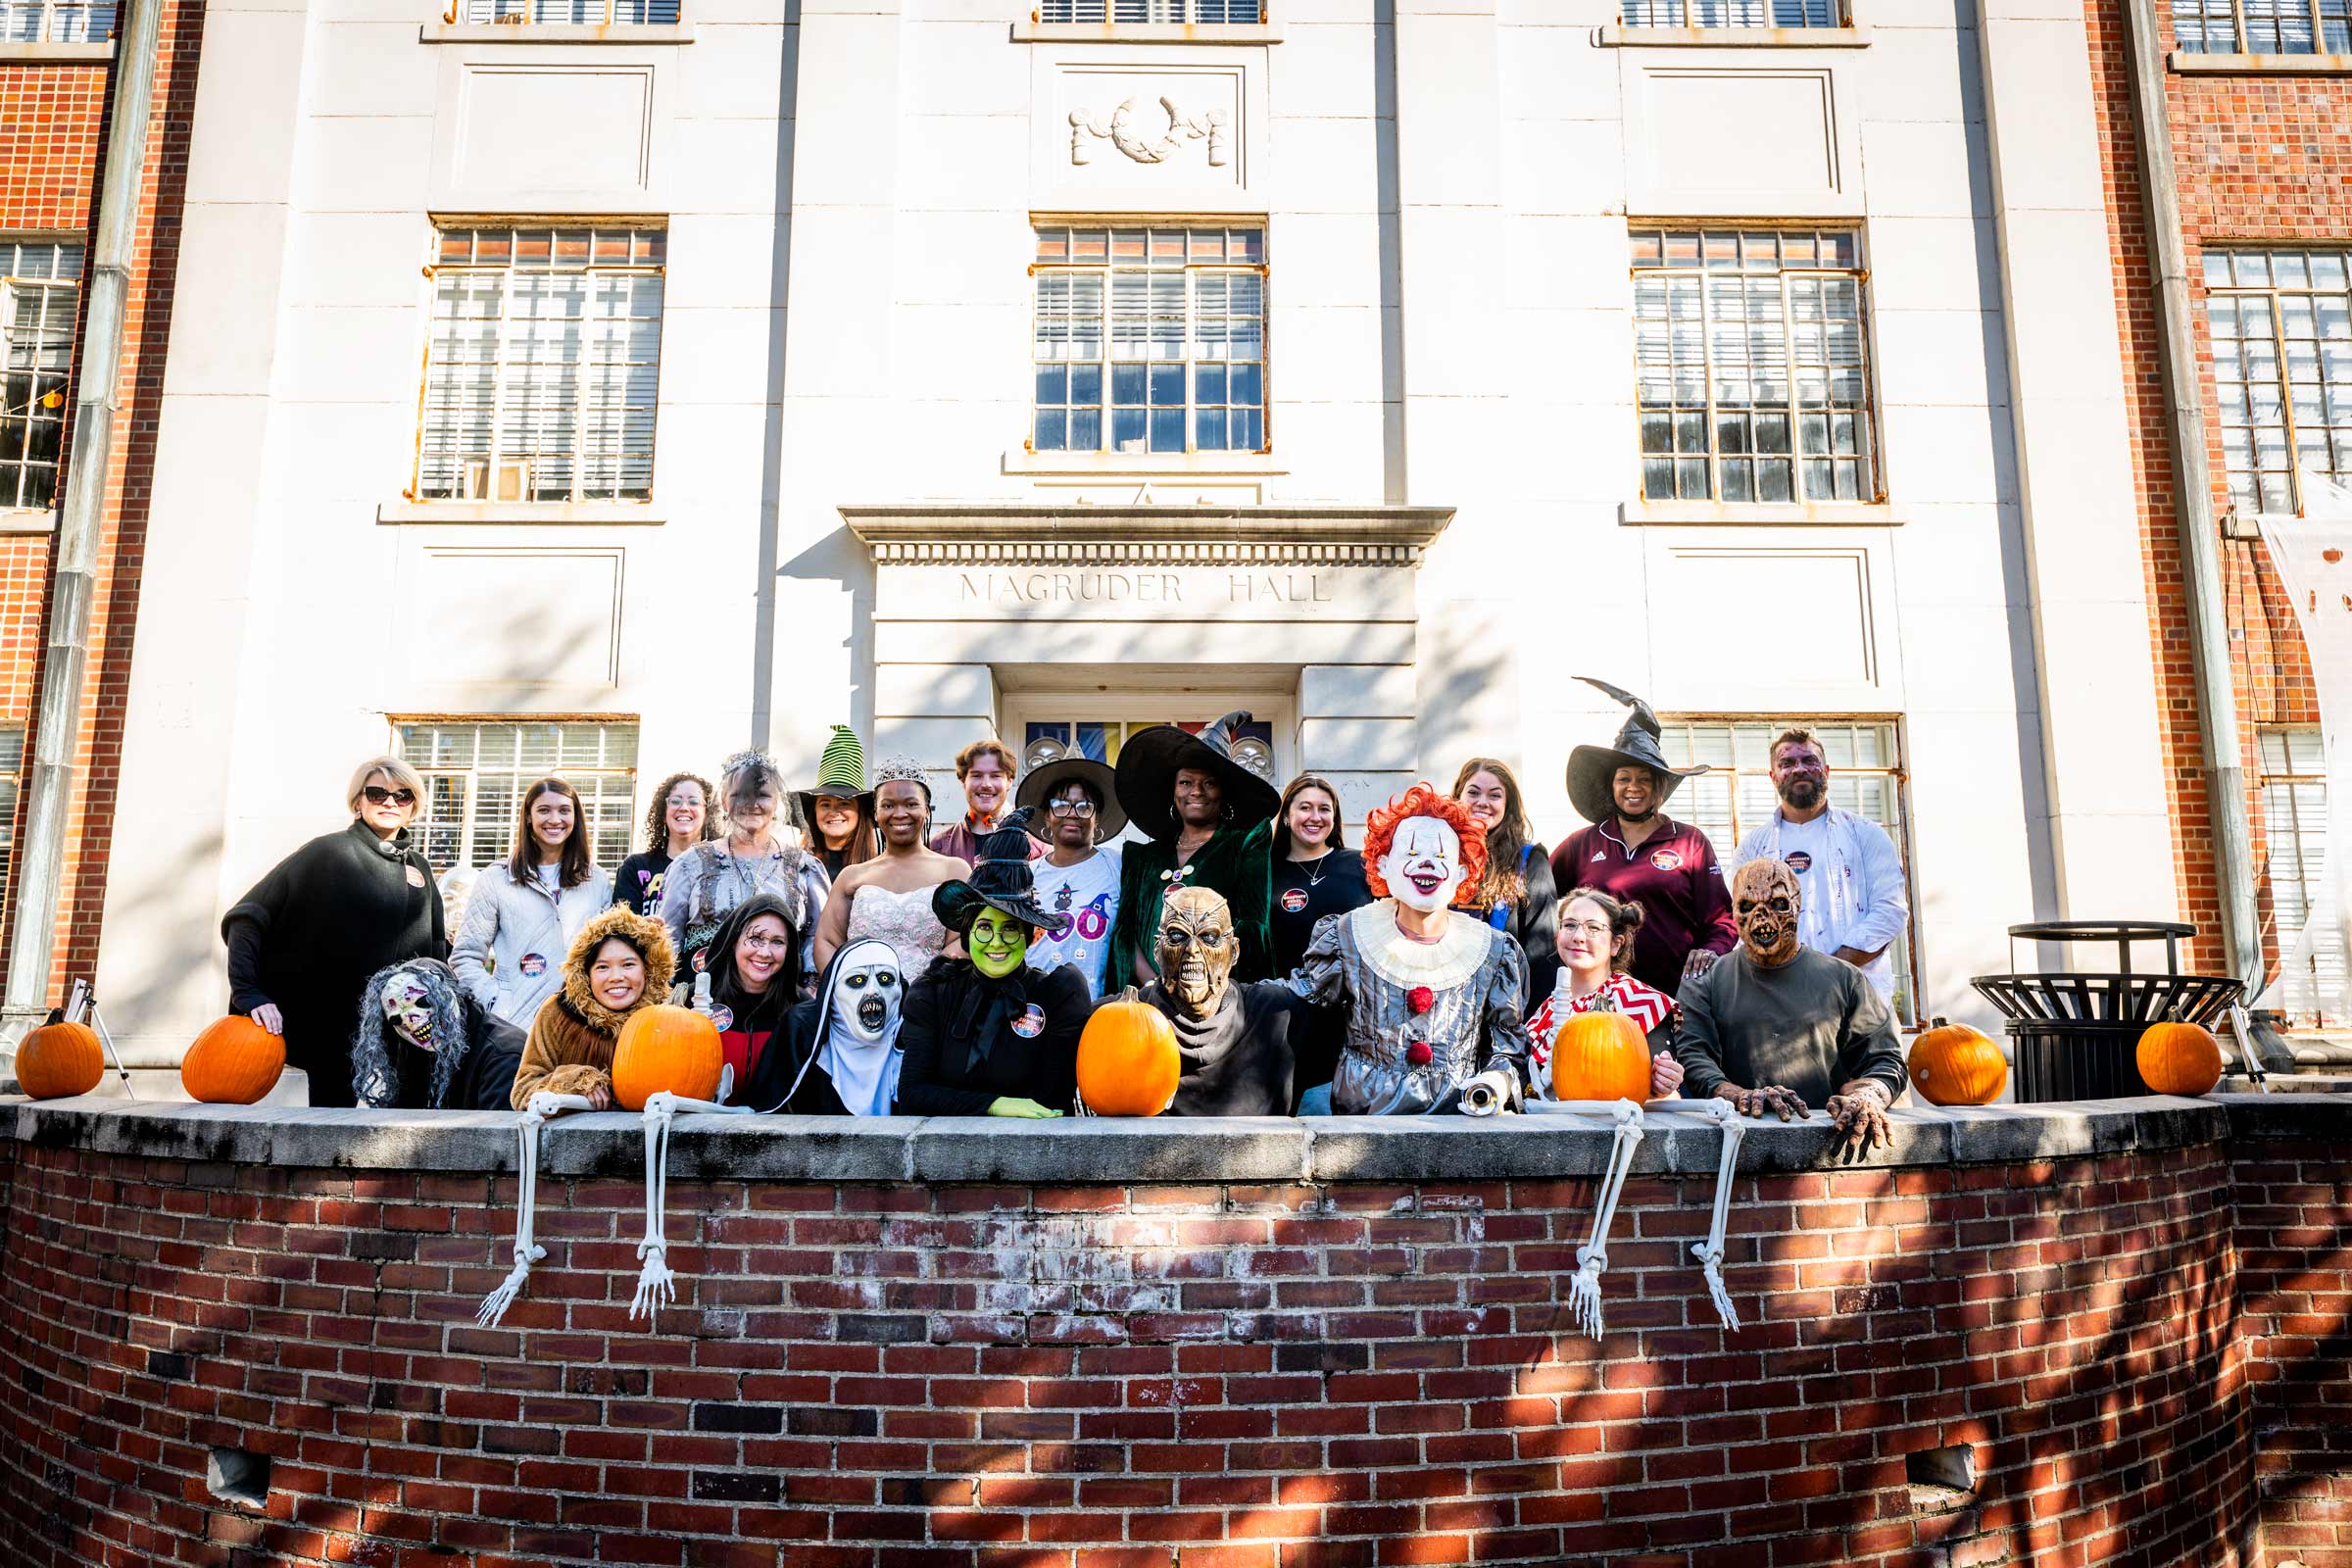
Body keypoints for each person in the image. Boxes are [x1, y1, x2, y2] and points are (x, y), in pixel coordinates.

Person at [1286, 785, 1533, 1116]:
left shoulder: (1493, 951)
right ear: (1383, 865)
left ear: (1461, 872)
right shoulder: (1346, 937)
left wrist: (1496, 1081)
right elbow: (1295, 1005)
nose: (1427, 863)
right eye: (1412, 853)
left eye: (1442, 856)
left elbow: (1507, 1047)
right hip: (1361, 1121)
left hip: (1456, 1122)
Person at [220, 756, 446, 1108]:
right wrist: (250, 994)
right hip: (331, 1028)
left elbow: (435, 948)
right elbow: (247, 917)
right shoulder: (327, 853)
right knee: (330, 1124)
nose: (390, 802)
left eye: (403, 796)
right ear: (358, 802)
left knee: (407, 1127)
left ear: (413, 806)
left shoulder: (419, 867)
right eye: (377, 793)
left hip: (402, 1030)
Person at [1675, 858, 1904, 1157]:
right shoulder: (1704, 982)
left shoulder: (1845, 978)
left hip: (1829, 1145)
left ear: (1798, 905)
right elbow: (1693, 1058)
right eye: (1747, 906)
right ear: (1733, 913)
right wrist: (1739, 1096)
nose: (1761, 917)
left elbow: (1885, 1059)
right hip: (1737, 1148)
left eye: (1778, 904)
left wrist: (1867, 1096)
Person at [1548, 677, 1737, 999]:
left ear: (1660, 787)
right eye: (1624, 778)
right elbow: (1539, 902)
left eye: (1644, 779)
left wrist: (1711, 951)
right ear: (1611, 786)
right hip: (1597, 1001)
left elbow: (1721, 919)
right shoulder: (1583, 844)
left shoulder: (1689, 842)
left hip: (1675, 998)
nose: (1633, 787)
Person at [895, 808, 1090, 1117]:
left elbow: (1052, 1101)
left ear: (1029, 936)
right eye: (984, 928)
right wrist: (995, 1104)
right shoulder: (933, 991)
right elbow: (912, 1094)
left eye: (1010, 929)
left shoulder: (1057, 994)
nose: (996, 942)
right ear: (967, 933)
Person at [1731, 727, 1911, 1004]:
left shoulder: (1866, 835)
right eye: (1787, 763)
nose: (1799, 769)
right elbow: (1740, 922)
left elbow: (1890, 912)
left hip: (1858, 999)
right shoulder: (1753, 847)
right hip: (1778, 999)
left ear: (1826, 771)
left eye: (1809, 760)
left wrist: (1826, 971)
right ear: (1773, 776)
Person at [1107, 711, 1280, 988]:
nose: (1196, 791)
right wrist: (1157, 987)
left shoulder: (1244, 845)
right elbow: (1125, 933)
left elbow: (1251, 927)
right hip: (1148, 1000)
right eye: (1186, 782)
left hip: (1218, 996)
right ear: (1173, 791)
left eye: (1209, 783)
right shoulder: (1144, 858)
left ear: (1223, 792)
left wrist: (1202, 988)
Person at [660, 750, 829, 991]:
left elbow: (818, 937)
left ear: (776, 802)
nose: (751, 804)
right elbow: (669, 938)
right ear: (724, 801)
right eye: (740, 795)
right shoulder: (690, 864)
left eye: (762, 795)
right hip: (703, 1001)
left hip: (780, 1001)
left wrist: (810, 990)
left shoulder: (804, 868)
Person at [451, 777, 614, 1027]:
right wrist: (495, 1003)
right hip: (514, 1028)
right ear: (528, 816)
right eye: (544, 810)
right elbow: (465, 956)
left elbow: (606, 954)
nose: (555, 819)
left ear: (575, 817)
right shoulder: (496, 879)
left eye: (564, 810)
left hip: (580, 1026)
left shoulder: (597, 880)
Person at [1131, 886, 1300, 1117]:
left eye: (1209, 937)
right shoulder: (1121, 1021)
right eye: (1177, 936)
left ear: (1233, 951)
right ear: (1157, 949)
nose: (1192, 950)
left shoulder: (1277, 1012)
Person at [811, 756, 969, 976]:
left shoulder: (953, 871)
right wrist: (849, 985)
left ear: (926, 810)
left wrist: (926, 988)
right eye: (888, 805)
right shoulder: (852, 876)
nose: (900, 813)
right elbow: (826, 941)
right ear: (876, 813)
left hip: (932, 993)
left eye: (911, 804)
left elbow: (963, 939)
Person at [1269, 773, 1371, 1111]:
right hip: (1286, 1020)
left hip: (1351, 1022)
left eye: (1324, 809)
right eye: (1305, 807)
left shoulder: (1360, 865)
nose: (1315, 817)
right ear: (1287, 816)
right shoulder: (1266, 872)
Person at [1524, 888, 1685, 1102]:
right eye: (1569, 925)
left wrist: (1662, 1082)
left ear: (1615, 945)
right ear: (1557, 936)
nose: (1578, 937)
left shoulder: (1640, 1000)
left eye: (1594, 928)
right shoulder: (1546, 1009)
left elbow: (1656, 1088)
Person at [509, 906, 677, 1109]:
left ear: (648, 969)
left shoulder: (666, 1018)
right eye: (602, 967)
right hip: (570, 1130)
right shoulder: (557, 1012)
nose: (616, 977)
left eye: (628, 965)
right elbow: (523, 1091)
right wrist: (576, 1081)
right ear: (586, 973)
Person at [750, 937, 906, 1116]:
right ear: (832, 993)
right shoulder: (801, 1030)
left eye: (885, 978)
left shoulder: (911, 1038)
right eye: (857, 980)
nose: (873, 990)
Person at [351, 957, 524, 1111]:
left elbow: (496, 1132)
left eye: (423, 1002)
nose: (411, 1021)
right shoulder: (412, 1050)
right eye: (397, 1019)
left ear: (452, 993)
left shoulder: (504, 1054)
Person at [1451, 758, 1561, 1001]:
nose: (1482, 802)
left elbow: (1541, 951)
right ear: (1458, 797)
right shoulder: (1438, 853)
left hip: (1502, 1003)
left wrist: (1533, 1018)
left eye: (1495, 795)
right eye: (1473, 792)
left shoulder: (1530, 861)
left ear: (1507, 804)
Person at [1015, 756, 1125, 997]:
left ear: (1097, 818)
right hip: (1032, 1005)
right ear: (1047, 816)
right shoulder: (1026, 874)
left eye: (1084, 807)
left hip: (1095, 1007)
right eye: (1061, 805)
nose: (1073, 814)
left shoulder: (1118, 866)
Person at [679, 894, 804, 1104]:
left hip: (775, 1123)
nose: (765, 952)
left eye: (777, 942)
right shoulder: (690, 1001)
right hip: (702, 1121)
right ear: (734, 941)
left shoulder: (801, 1010)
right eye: (755, 938)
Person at [612, 771, 717, 918]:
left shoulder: (722, 869)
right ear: (663, 813)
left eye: (694, 801)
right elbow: (623, 926)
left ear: (707, 814)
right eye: (675, 801)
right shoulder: (635, 867)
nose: (684, 807)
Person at [929, 738, 1044, 863]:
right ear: (963, 781)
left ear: (1009, 782)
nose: (986, 784)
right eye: (977, 775)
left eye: (995, 776)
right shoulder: (939, 847)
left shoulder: (1036, 847)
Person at [794, 724, 877, 883]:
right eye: (825, 804)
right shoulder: (796, 865)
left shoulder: (879, 868)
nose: (834, 812)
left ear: (859, 810)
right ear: (815, 811)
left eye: (844, 803)